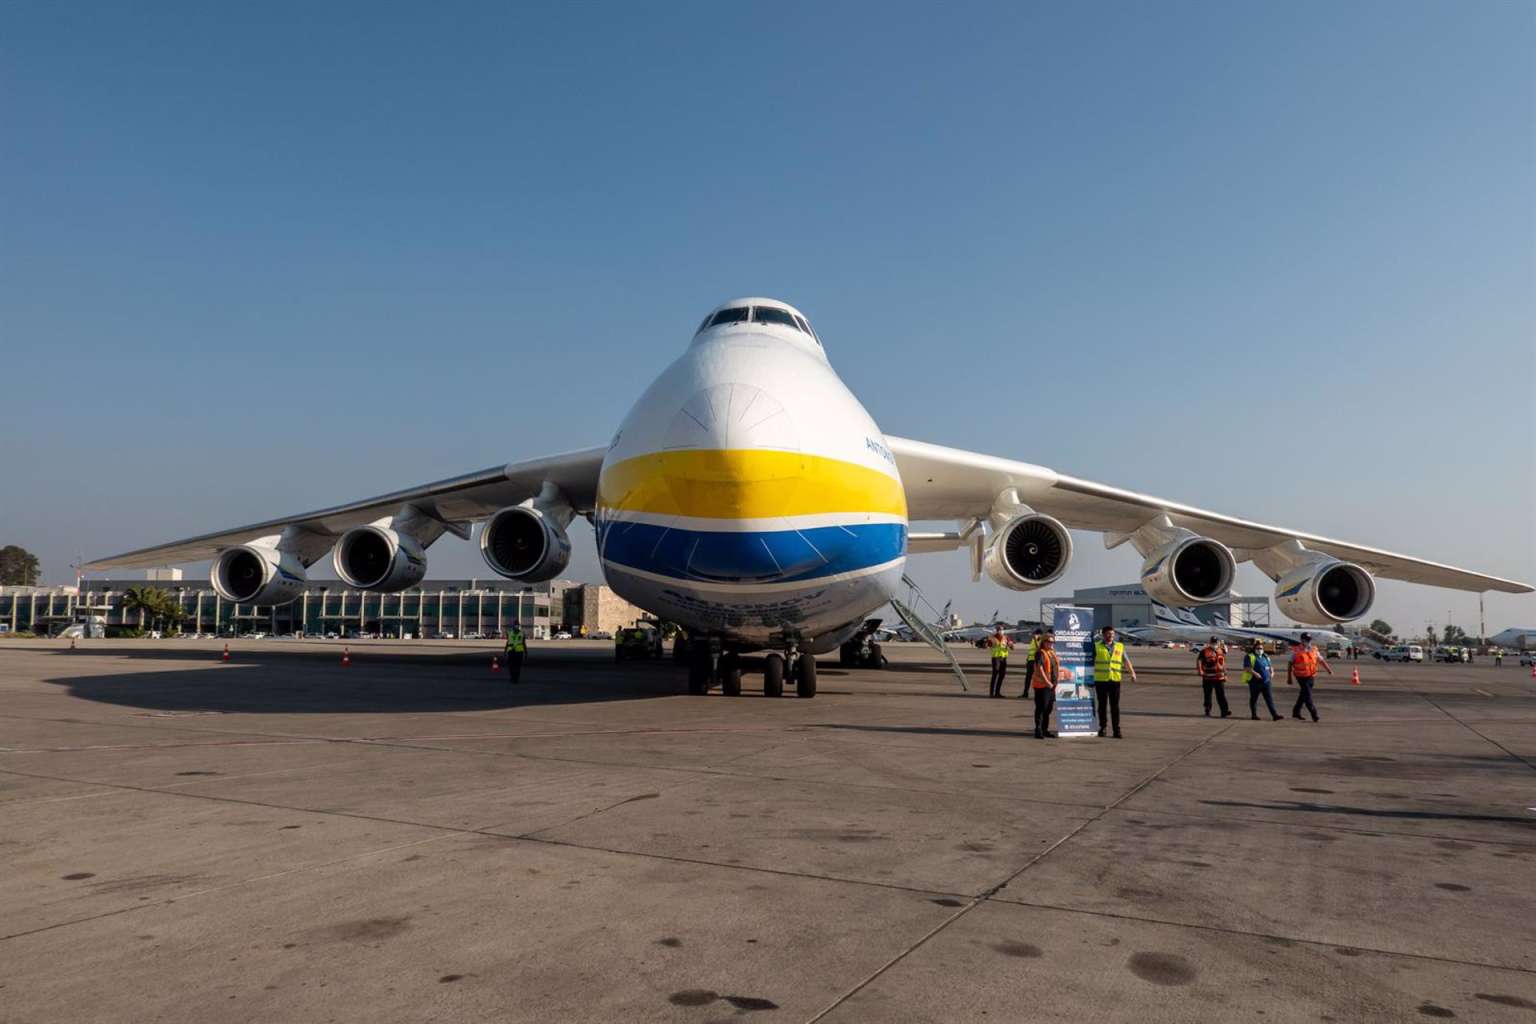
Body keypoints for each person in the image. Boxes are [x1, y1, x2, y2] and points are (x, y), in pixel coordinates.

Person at [1093, 625, 1137, 738]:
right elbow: (1090, 662)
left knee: (1115, 707)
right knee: (1102, 706)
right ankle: (1102, 728)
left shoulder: (1119, 646)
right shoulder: (1096, 646)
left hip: (1115, 680)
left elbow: (1126, 661)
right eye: (1108, 634)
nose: (1111, 636)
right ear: (1103, 635)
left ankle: (1116, 730)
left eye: (1112, 634)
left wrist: (1132, 673)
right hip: (1101, 680)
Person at [1286, 632, 1332, 721]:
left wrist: (1328, 669)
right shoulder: (1296, 650)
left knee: (1303, 694)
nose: (1308, 642)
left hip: (1311, 676)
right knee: (1308, 696)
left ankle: (1296, 712)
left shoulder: (1314, 649)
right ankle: (1314, 715)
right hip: (1301, 676)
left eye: (1309, 640)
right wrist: (1289, 678)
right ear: (1302, 640)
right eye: (1306, 640)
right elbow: (1290, 663)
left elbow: (1321, 660)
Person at [1031, 631, 1061, 738]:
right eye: (1048, 642)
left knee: (1048, 709)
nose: (1051, 644)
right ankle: (1038, 730)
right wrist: (1047, 682)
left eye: (1052, 642)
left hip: (1052, 686)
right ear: (1043, 642)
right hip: (1042, 686)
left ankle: (1045, 729)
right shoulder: (1040, 653)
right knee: (1041, 708)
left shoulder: (1052, 653)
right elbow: (1039, 669)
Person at [1243, 639, 1281, 720]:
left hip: (1266, 681)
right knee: (1254, 698)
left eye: (1261, 648)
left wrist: (1272, 672)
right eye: (1258, 648)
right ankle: (1254, 715)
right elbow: (1247, 668)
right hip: (1255, 682)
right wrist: (1255, 674)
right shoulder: (1250, 656)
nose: (1260, 650)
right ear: (1254, 648)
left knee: (1269, 699)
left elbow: (1270, 666)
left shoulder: (1265, 656)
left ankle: (1275, 715)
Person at [1196, 637, 1232, 718]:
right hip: (1208, 677)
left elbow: (1223, 664)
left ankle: (1224, 711)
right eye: (1213, 642)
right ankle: (1207, 710)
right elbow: (1199, 661)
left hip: (1219, 677)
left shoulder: (1221, 650)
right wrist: (1200, 670)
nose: (1214, 644)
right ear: (1210, 642)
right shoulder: (1204, 651)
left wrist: (1225, 674)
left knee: (1221, 695)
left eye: (1216, 642)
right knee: (1208, 695)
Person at [987, 625, 1013, 698]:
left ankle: (997, 692)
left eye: (1001, 629)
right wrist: (989, 641)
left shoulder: (1006, 638)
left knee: (1002, 675)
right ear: (996, 630)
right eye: (998, 629)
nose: (1000, 631)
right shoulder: (992, 638)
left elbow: (1012, 647)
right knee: (995, 674)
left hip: (1003, 658)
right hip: (996, 658)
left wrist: (1010, 645)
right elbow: (987, 645)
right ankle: (991, 693)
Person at [1017, 628, 1044, 698]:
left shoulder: (1042, 641)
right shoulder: (1032, 641)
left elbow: (1039, 649)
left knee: (1037, 679)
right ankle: (1025, 693)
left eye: (1036, 634)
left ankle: (1038, 694)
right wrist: (1027, 659)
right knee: (1028, 678)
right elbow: (1030, 651)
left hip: (1037, 662)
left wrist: (1035, 640)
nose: (1035, 635)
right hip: (1030, 661)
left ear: (1040, 635)